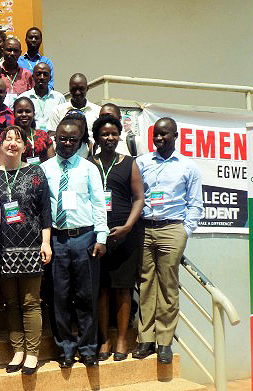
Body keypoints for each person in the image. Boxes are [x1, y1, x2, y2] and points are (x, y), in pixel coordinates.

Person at [132, 117, 203, 364]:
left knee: (168, 287)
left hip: (172, 229)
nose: (160, 139)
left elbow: (195, 204)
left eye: (164, 134)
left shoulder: (188, 167)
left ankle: (164, 342)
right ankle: (146, 339)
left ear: (175, 135)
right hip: (144, 228)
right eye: (156, 135)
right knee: (146, 284)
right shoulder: (141, 163)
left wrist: (185, 231)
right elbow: (135, 195)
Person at [40, 117, 108, 368]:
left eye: (73, 139)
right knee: (59, 296)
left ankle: (88, 348)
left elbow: (99, 203)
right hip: (57, 239)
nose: (67, 143)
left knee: (86, 296)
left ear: (81, 142)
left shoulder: (89, 169)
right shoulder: (45, 169)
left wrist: (101, 237)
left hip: (85, 238)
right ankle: (65, 348)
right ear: (55, 139)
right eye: (62, 138)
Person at [0, 125, 51, 375]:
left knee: (30, 302)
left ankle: (32, 353)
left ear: (25, 146)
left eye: (17, 140)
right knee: (11, 302)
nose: (12, 144)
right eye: (7, 139)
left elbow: (45, 211)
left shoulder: (35, 172)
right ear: (0, 145)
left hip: (31, 245)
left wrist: (46, 242)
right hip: (3, 246)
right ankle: (18, 350)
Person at [88, 115, 144, 362]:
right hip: (97, 236)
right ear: (96, 138)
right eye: (104, 134)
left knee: (122, 288)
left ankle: (122, 338)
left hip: (125, 236)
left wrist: (128, 227)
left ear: (119, 135)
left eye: (113, 133)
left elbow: (139, 198)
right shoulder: (89, 163)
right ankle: (104, 339)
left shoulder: (129, 163)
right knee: (101, 289)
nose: (109, 138)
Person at [0, 97, 54, 164]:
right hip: (17, 173)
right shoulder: (7, 136)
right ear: (14, 114)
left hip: (42, 173)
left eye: (28, 111)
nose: (24, 114)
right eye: (20, 112)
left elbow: (52, 162)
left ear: (33, 113)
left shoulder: (43, 135)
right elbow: (1, 164)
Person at [20, 62, 65, 132]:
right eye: (38, 74)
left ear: (50, 78)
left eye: (45, 74)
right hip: (31, 139)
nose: (42, 77)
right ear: (33, 77)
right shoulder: (23, 98)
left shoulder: (59, 98)